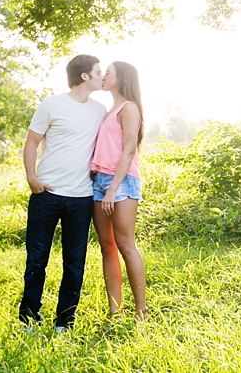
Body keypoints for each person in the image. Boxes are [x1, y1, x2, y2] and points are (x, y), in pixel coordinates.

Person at [18, 54, 106, 333]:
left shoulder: (100, 111)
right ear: (84, 76)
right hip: (47, 194)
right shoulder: (52, 104)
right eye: (98, 72)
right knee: (36, 259)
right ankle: (29, 318)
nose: (102, 76)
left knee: (74, 263)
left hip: (81, 198)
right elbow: (31, 143)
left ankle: (64, 322)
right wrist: (32, 178)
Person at [91, 61, 149, 321]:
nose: (103, 76)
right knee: (107, 245)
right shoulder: (106, 110)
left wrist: (113, 189)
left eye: (109, 72)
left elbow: (128, 151)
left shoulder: (129, 108)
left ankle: (141, 310)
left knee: (126, 244)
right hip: (99, 181)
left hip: (122, 183)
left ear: (121, 78)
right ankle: (115, 310)